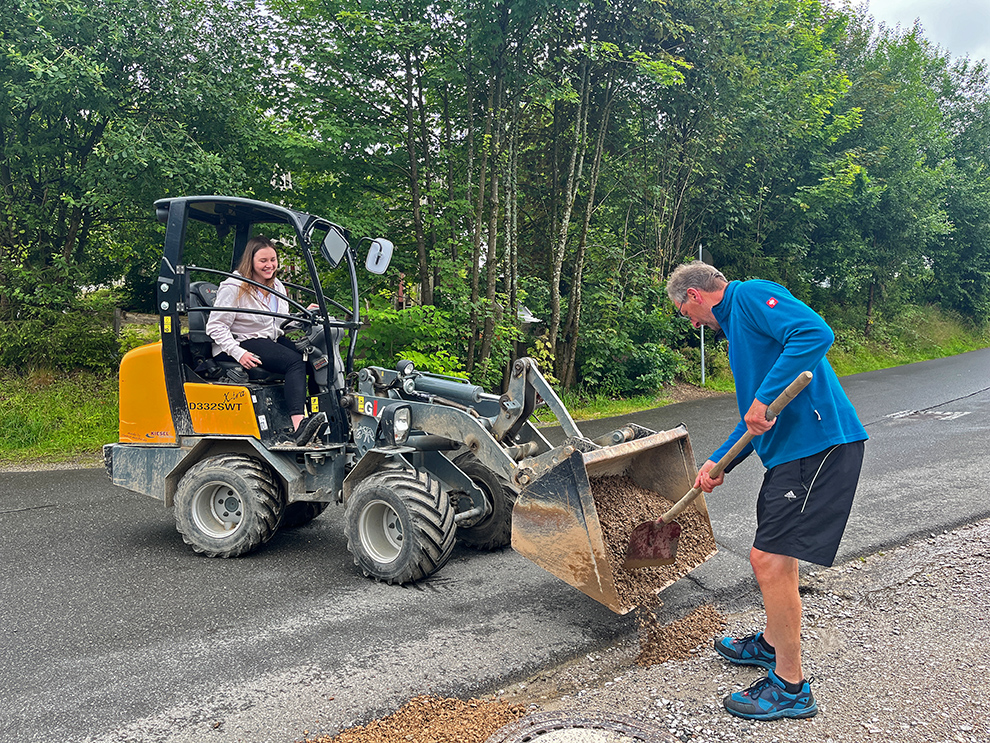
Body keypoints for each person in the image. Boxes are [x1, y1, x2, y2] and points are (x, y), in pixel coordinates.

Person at [666, 260, 867, 722]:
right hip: (790, 455)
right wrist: (720, 462)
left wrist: (764, 395)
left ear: (695, 296)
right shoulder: (738, 329)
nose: (692, 324)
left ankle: (791, 687)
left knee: (767, 559)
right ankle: (772, 643)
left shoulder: (750, 296)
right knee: (777, 555)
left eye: (686, 313)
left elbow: (815, 332)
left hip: (819, 448)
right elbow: (754, 419)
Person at [206, 236, 323, 445]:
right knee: (293, 362)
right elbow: (215, 326)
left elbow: (278, 324)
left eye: (273, 259)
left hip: (267, 338)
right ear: (250, 261)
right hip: (239, 341)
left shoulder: (276, 286)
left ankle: (319, 417)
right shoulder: (234, 287)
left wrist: (302, 315)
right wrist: (238, 352)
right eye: (263, 261)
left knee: (314, 358)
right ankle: (299, 427)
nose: (269, 265)